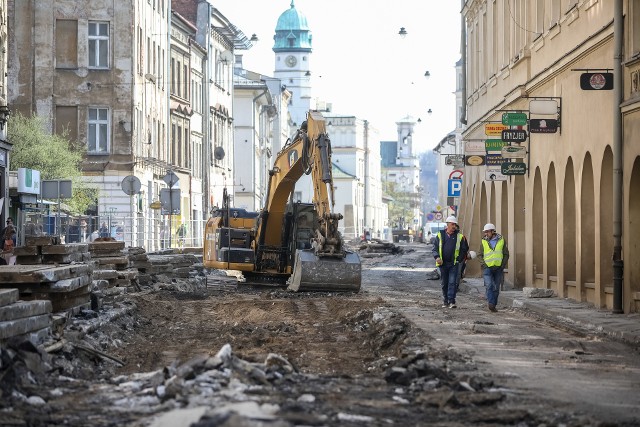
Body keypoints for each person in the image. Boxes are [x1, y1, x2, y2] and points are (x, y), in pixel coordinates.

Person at [432, 216, 468, 309]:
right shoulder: (440, 235)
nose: (454, 226)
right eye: (452, 224)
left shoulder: (460, 236)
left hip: (454, 264)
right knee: (445, 283)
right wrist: (437, 257)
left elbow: (464, 249)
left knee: (452, 282)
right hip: (442, 264)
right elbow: (435, 248)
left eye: (455, 225)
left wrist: (459, 259)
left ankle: (452, 301)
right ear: (447, 224)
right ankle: (445, 300)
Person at [477, 223, 510, 312]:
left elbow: (506, 254)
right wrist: (484, 264)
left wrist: (502, 265)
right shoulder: (483, 241)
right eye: (485, 232)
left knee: (496, 287)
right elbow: (479, 254)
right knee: (489, 285)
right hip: (487, 268)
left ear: (493, 231)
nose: (486, 234)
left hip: (498, 268)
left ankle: (493, 305)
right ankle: (491, 303)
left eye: (487, 232)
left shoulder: (502, 240)